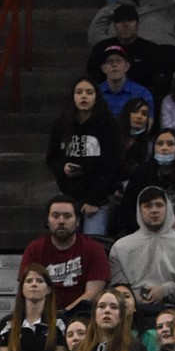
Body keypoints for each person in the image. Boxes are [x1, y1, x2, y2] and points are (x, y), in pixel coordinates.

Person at [109, 186, 175, 322]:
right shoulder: (120, 247)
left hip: (174, 311)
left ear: (168, 208)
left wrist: (165, 290)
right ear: (139, 210)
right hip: (130, 313)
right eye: (147, 206)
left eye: (159, 205)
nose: (154, 210)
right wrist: (133, 297)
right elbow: (117, 286)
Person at [45, 79, 121, 236]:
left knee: (93, 244)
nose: (84, 96)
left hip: (98, 198)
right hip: (68, 195)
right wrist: (62, 168)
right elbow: (51, 158)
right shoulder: (61, 124)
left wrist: (94, 199)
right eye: (79, 92)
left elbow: (113, 164)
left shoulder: (108, 125)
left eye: (89, 92)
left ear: (96, 97)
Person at [18, 197, 112, 316]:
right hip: (42, 315)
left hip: (82, 317)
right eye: (55, 216)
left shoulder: (94, 249)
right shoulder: (34, 249)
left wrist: (64, 314)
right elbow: (28, 289)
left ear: (77, 221)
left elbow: (92, 294)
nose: (61, 221)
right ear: (47, 221)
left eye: (67, 216)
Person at [0, 264, 67, 351]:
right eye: (29, 281)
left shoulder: (60, 323)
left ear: (48, 289)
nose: (34, 284)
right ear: (22, 288)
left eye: (39, 281)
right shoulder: (7, 324)